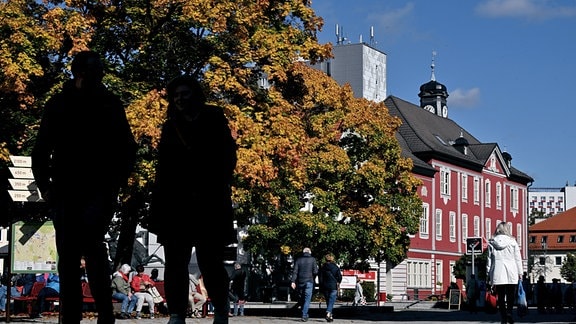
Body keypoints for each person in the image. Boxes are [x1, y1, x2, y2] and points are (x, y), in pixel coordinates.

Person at [31, 50, 137, 324]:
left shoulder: (109, 103)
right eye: (93, 72)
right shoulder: (59, 104)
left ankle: (103, 313)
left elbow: (127, 148)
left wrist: (115, 183)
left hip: (98, 189)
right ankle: (72, 315)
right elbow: (41, 149)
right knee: (69, 254)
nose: (97, 77)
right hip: (66, 188)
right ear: (79, 73)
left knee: (92, 249)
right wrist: (46, 187)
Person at [148, 75, 237, 324]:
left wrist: (215, 181)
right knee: (176, 263)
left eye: (184, 94)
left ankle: (220, 308)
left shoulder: (213, 118)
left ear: (195, 94)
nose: (179, 99)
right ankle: (176, 314)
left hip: (209, 203)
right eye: (175, 95)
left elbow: (229, 157)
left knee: (210, 262)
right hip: (176, 205)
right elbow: (162, 169)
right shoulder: (170, 125)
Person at [486, 221, 523, 324]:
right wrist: (520, 272)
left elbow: (489, 261)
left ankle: (503, 316)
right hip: (512, 270)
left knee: (500, 296)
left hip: (498, 270)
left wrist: (488, 275)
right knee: (511, 294)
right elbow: (518, 259)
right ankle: (510, 312)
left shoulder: (492, 243)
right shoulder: (513, 242)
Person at [290, 247, 319, 322]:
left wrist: (293, 281)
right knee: (307, 299)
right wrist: (313, 277)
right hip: (309, 281)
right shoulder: (313, 259)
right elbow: (315, 271)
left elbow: (295, 271)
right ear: (310, 252)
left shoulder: (298, 260)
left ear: (303, 252)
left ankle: (304, 313)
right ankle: (304, 315)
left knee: (302, 298)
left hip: (300, 281)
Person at [318, 253, 342, 322]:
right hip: (333, 286)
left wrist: (321, 286)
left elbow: (320, 278)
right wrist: (338, 281)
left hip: (325, 286)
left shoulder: (322, 267)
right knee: (331, 300)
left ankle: (330, 316)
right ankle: (328, 312)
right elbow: (340, 277)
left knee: (328, 301)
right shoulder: (336, 267)